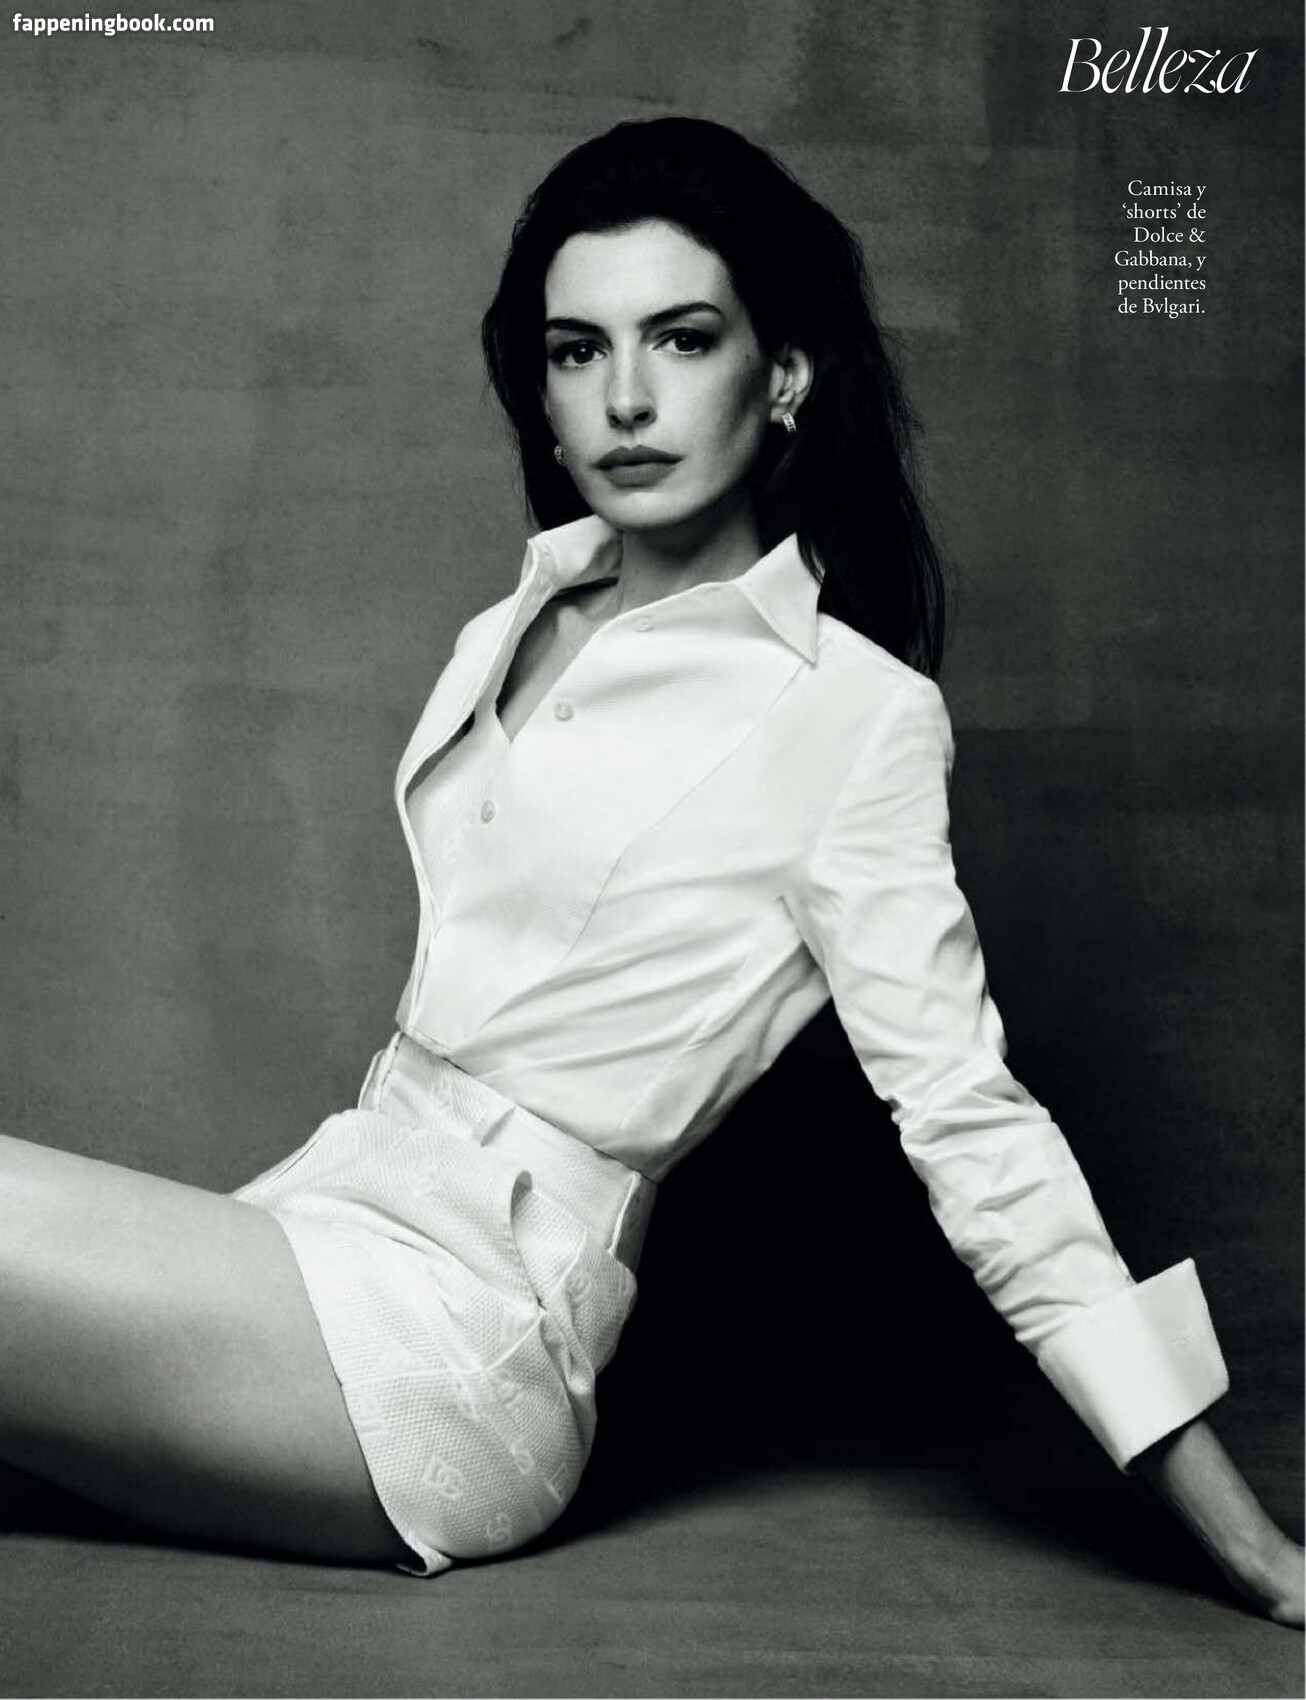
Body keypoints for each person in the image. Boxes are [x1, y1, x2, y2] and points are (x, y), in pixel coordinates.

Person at [3, 116, 1301, 1626]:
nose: (625, 396)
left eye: (682, 339)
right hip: (316, 1222)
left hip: (454, 1341)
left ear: (785, 374)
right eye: (577, 351)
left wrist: (1249, 1545)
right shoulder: (517, 621)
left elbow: (974, 1130)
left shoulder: (851, 718)